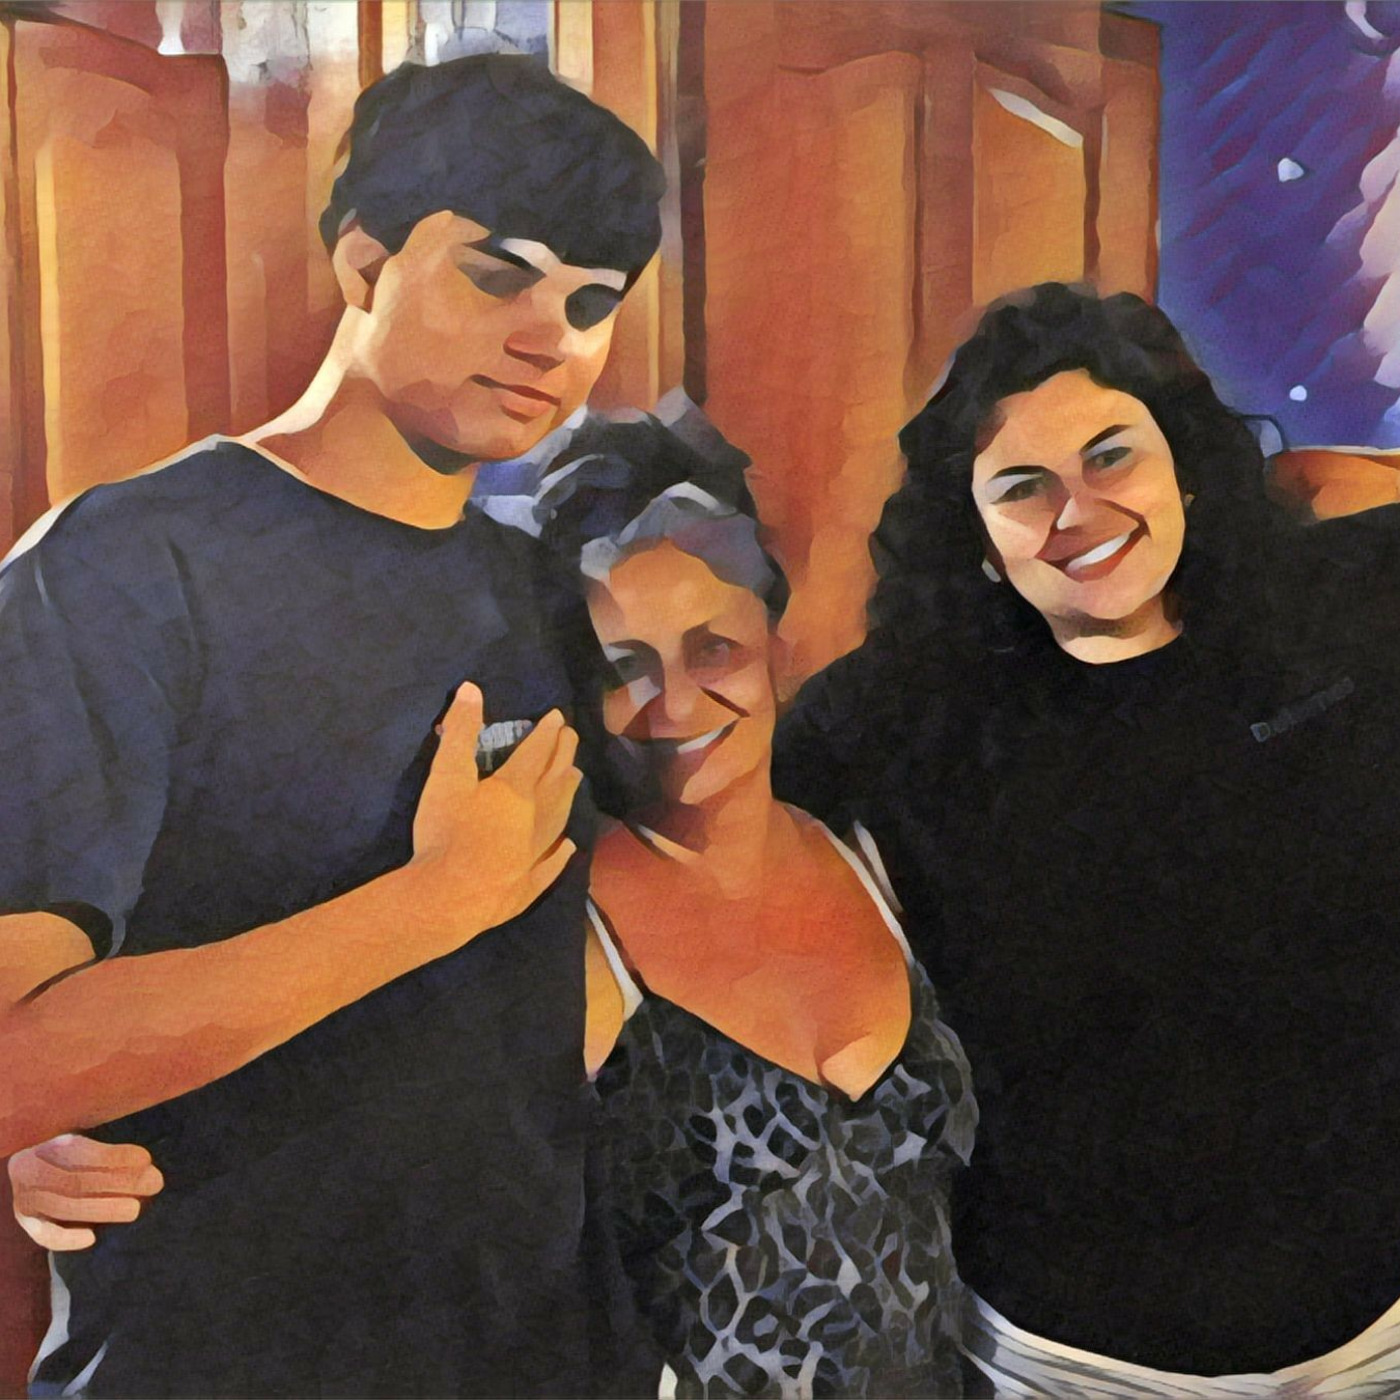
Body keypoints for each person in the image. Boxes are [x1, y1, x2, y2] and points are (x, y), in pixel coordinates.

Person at [17, 418, 979, 1398]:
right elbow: (317, 1111)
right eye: (623, 667)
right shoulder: (538, 893)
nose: (677, 704)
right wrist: (79, 1138)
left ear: (775, 640)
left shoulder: (870, 845)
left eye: (713, 648)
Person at [0, 53, 664, 1398]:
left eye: (590, 302)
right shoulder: (124, 566)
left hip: (540, 1358)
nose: (549, 338)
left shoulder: (544, 588)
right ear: (363, 260)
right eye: (499, 274)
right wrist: (431, 904)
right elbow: (15, 1056)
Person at [771, 283, 1400, 1395]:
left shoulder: (1338, 610)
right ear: (973, 534)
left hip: (1373, 1338)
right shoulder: (893, 719)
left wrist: (1328, 476)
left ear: (1185, 468)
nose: (1078, 512)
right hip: (1068, 1361)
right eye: (1023, 486)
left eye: (1112, 456)